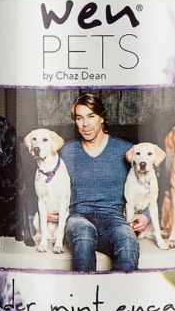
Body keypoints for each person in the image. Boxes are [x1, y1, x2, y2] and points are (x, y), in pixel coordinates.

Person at [59, 92, 141, 272]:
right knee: (84, 232)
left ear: (102, 117)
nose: (85, 124)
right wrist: (50, 210)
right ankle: (84, 289)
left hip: (113, 219)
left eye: (91, 116)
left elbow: (147, 185)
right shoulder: (66, 151)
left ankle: (119, 290)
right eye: (79, 118)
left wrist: (146, 215)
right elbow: (47, 184)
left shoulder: (126, 150)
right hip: (78, 218)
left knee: (128, 241)